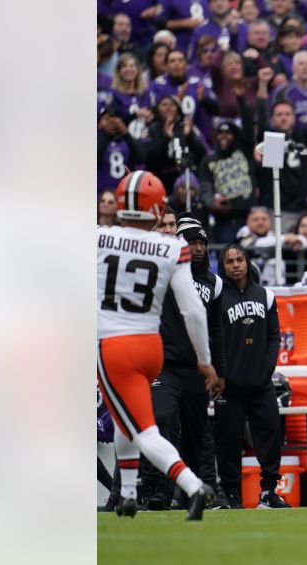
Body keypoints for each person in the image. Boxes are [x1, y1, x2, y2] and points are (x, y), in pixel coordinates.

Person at [98, 171, 218, 520]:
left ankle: (194, 486)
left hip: (114, 345)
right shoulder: (172, 246)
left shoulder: (99, 238)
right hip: (152, 346)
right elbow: (193, 309)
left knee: (143, 428)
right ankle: (131, 495)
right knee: (125, 420)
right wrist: (205, 359)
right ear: (158, 206)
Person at [138, 217, 224, 510]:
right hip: (164, 363)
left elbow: (215, 330)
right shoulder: (162, 268)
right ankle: (157, 491)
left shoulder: (215, 282)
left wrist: (218, 369)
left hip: (197, 367)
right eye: (192, 242)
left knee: (196, 432)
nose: (198, 248)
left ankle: (191, 493)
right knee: (160, 419)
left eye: (202, 242)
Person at [214, 243, 287, 509]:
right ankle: (231, 495)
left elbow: (274, 335)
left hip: (260, 384)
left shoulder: (266, 295)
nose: (235, 265)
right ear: (222, 266)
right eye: (229, 261)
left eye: (239, 260)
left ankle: (268, 492)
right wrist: (220, 373)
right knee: (228, 443)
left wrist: (267, 367)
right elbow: (212, 338)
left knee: (270, 438)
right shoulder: (216, 298)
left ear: (247, 262)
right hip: (229, 386)